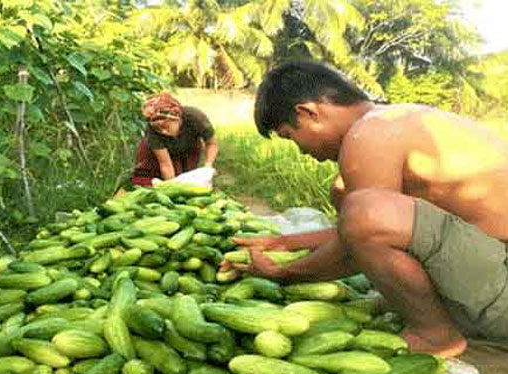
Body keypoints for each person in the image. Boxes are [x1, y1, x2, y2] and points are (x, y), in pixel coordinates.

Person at [226, 60, 508, 358]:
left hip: (501, 291)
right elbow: (372, 233)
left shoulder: (369, 134)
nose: (302, 151)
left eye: (289, 136)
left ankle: (436, 335)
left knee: (363, 209)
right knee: (350, 199)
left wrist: (284, 273)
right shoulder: (393, 120)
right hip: (491, 268)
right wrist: (285, 242)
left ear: (308, 112)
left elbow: (359, 238)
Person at [131, 93, 219, 187]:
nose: (163, 132)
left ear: (177, 119)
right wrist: (173, 187)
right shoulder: (152, 132)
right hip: (161, 154)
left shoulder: (195, 117)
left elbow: (211, 144)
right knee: (150, 176)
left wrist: (208, 165)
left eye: (165, 127)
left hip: (189, 144)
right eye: (158, 129)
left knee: (188, 176)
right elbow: (165, 164)